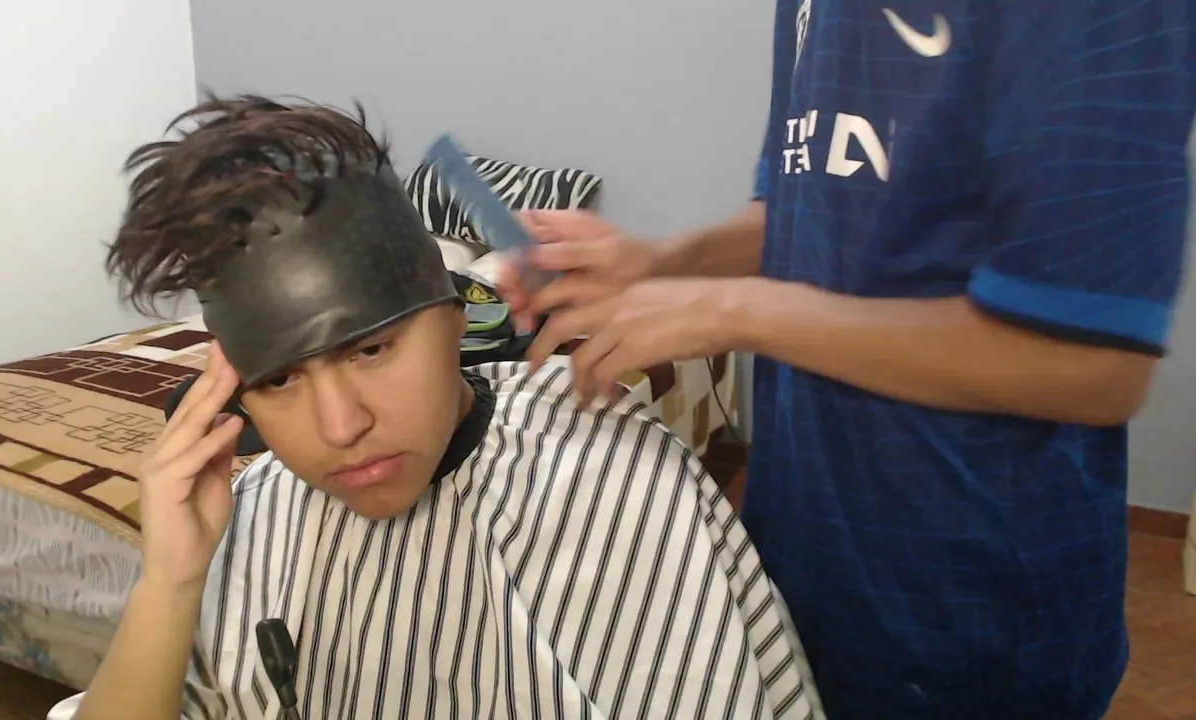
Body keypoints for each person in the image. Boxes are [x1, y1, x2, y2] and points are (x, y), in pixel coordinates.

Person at [496, 4, 1196, 719]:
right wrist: (664, 262)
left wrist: (734, 311)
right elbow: (803, 206)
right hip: (807, 556)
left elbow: (1093, 367)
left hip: (968, 608)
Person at [47, 95, 825, 720]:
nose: (341, 428)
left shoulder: (618, 475)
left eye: (371, 349)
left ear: (457, 317)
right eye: (279, 380)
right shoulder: (245, 525)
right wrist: (168, 583)